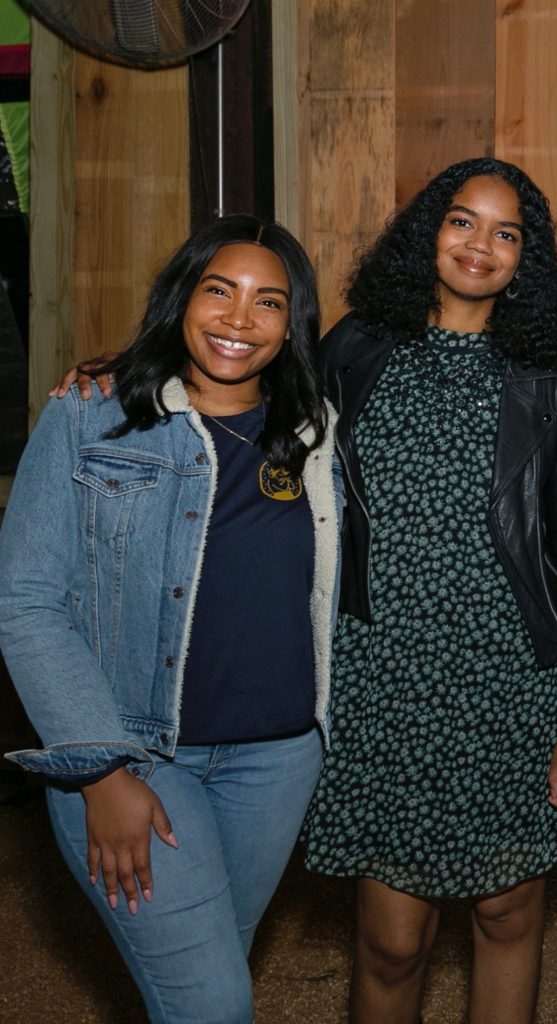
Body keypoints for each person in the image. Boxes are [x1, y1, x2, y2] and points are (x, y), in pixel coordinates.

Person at [53, 157, 557, 1023]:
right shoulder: (357, 345)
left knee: (507, 910)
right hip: (376, 674)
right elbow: (239, 372)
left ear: (525, 258)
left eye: (507, 233)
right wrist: (126, 370)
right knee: (392, 939)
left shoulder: (551, 373)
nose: (480, 245)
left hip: (510, 680)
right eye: (463, 220)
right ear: (430, 228)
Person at [0, 215, 344, 1024]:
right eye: (219, 291)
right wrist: (101, 770)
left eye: (268, 303)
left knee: (205, 977)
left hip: (280, 762)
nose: (237, 319)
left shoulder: (314, 430)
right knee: (214, 1004)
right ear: (181, 295)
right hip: (141, 757)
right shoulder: (90, 416)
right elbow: (26, 602)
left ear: (291, 324)